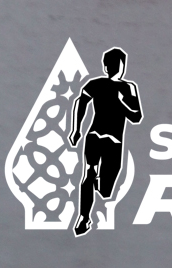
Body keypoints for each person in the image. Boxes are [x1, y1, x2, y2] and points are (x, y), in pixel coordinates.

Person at [68, 47, 142, 237]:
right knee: (89, 172)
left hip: (113, 142)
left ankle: (97, 186)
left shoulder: (129, 87)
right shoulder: (96, 84)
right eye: (112, 64)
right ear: (106, 66)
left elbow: (136, 116)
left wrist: (120, 102)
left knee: (106, 189)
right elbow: (80, 102)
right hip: (96, 136)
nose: (115, 68)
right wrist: (76, 129)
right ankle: (84, 217)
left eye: (118, 64)